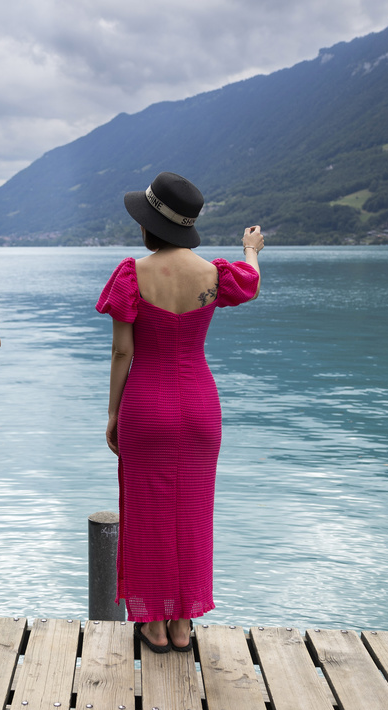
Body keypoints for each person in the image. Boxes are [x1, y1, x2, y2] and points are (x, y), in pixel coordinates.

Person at [96, 172, 262, 654]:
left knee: (146, 511)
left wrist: (113, 413)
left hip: (145, 406)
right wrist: (250, 247)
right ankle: (183, 623)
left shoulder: (132, 274)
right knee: (192, 513)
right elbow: (250, 282)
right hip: (199, 407)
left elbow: (121, 354)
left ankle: (152, 624)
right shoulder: (214, 275)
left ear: (148, 226)